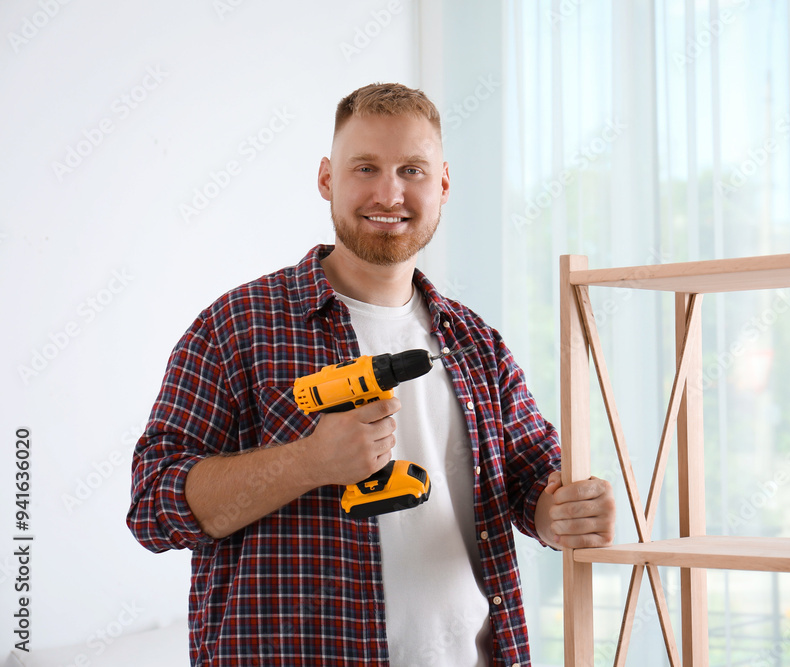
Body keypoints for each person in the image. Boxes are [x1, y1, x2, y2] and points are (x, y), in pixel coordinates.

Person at [127, 82, 615, 666]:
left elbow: (532, 473)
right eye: (366, 167)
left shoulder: (476, 343)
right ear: (327, 179)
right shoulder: (236, 329)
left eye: (412, 169)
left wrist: (560, 511)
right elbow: (153, 508)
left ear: (443, 184)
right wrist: (308, 462)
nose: (390, 192)